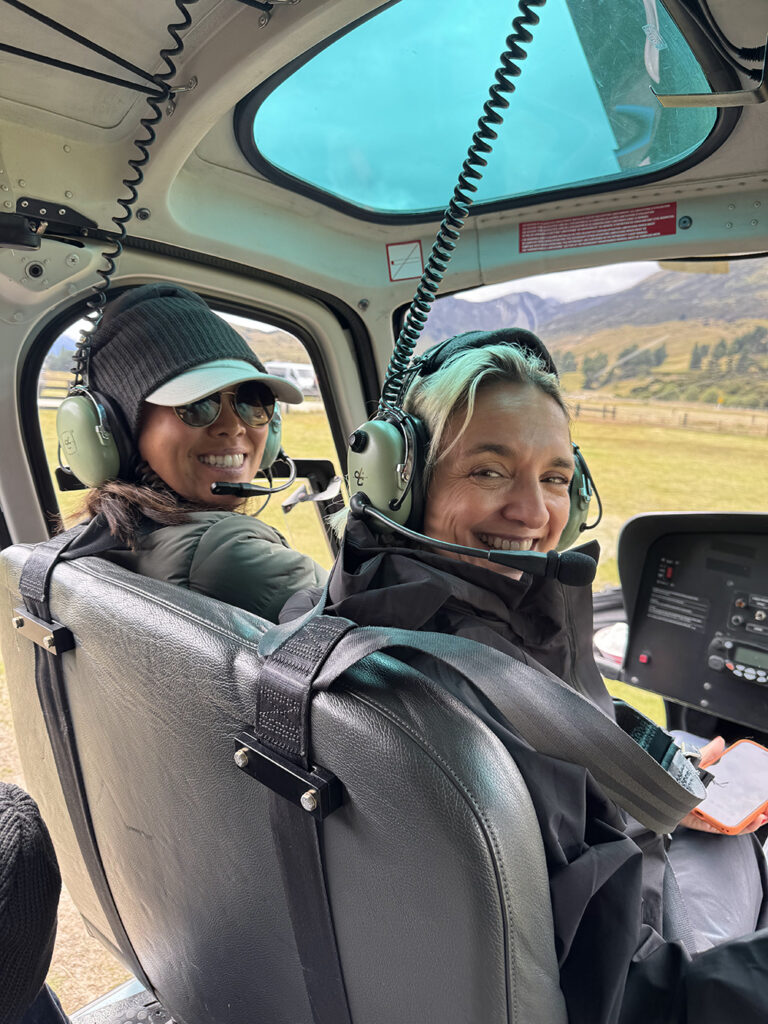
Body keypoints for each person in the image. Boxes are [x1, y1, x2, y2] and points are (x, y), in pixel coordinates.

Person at [288, 328, 768, 1024]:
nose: (535, 513)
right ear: (401, 480)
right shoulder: (474, 703)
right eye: (488, 470)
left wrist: (640, 776)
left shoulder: (334, 616)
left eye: (555, 478)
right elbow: (635, 994)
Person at [67, 283, 326, 621]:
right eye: (198, 404)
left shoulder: (99, 536)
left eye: (251, 401)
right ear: (119, 433)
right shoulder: (227, 554)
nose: (233, 427)